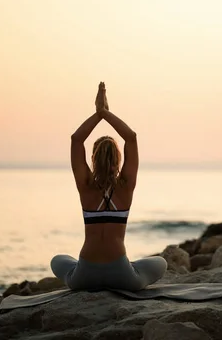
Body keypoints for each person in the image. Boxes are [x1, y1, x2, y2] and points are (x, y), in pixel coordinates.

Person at [50, 82, 167, 291]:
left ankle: (84, 271)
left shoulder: (86, 186)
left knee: (58, 260)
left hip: (85, 276)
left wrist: (98, 114)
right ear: (119, 158)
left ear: (93, 160)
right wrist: (106, 113)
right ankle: (128, 267)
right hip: (120, 274)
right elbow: (131, 137)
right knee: (161, 263)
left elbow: (76, 140)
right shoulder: (126, 186)